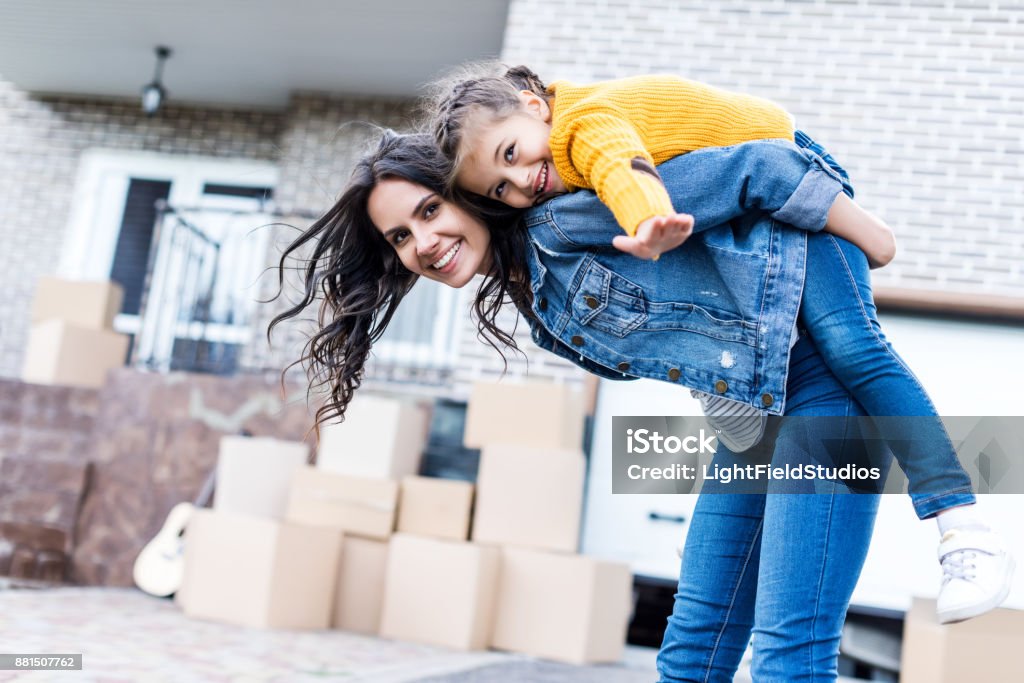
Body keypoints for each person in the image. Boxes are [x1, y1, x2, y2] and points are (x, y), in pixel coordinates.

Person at [269, 130, 897, 680]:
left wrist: (870, 241)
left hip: (825, 389)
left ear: (468, 191)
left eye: (430, 210)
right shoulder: (536, 295)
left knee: (788, 656)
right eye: (402, 237)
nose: (424, 242)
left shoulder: (576, 215)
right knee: (689, 657)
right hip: (752, 423)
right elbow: (698, 337)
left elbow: (753, 169)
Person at [424, 63, 1013, 623]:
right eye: (500, 189)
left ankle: (963, 528)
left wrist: (646, 218)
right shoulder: (552, 199)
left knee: (853, 348)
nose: (522, 181)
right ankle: (724, 541)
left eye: (512, 154)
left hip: (798, 178)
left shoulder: (582, 123)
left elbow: (620, 167)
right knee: (740, 385)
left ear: (535, 108)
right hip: (761, 219)